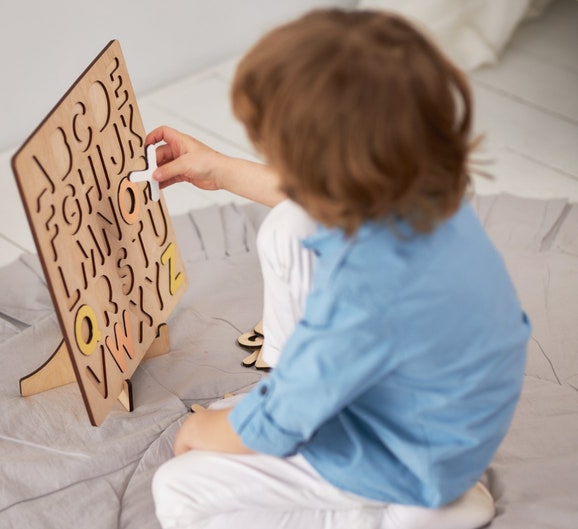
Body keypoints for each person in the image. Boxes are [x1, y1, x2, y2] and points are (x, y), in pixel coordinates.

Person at [147, 8, 530, 529]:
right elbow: (314, 201)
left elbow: (281, 420)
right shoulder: (431, 196)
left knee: (177, 487)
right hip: (456, 424)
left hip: (403, 460)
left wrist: (208, 432)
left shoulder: (361, 293)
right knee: (289, 225)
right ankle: (432, 498)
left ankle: (400, 511)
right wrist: (216, 169)